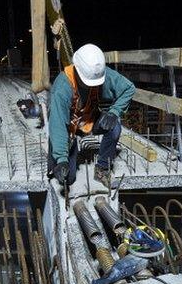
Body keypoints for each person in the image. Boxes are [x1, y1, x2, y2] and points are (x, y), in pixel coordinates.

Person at [48, 44, 135, 187]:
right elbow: (58, 125)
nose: (91, 86)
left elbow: (129, 88)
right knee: (66, 178)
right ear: (77, 70)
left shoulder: (99, 73)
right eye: (87, 83)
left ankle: (102, 169)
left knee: (114, 128)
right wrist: (61, 159)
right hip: (69, 126)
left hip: (89, 118)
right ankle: (65, 150)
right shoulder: (62, 88)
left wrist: (115, 111)